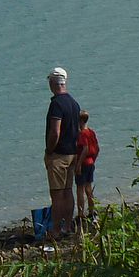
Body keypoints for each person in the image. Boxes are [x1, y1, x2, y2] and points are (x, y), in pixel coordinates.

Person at [44, 67, 85, 238]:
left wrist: (49, 150)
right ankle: (67, 226)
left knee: (57, 193)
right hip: (72, 153)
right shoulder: (74, 103)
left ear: (53, 83)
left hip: (59, 155)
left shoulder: (56, 104)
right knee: (68, 191)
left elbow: (55, 131)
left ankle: (55, 230)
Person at [75, 110, 99, 222]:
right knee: (89, 188)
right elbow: (97, 148)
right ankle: (92, 211)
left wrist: (78, 164)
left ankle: (80, 213)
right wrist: (93, 160)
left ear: (80, 121)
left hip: (83, 163)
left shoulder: (82, 134)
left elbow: (85, 149)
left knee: (80, 188)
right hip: (90, 163)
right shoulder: (91, 132)